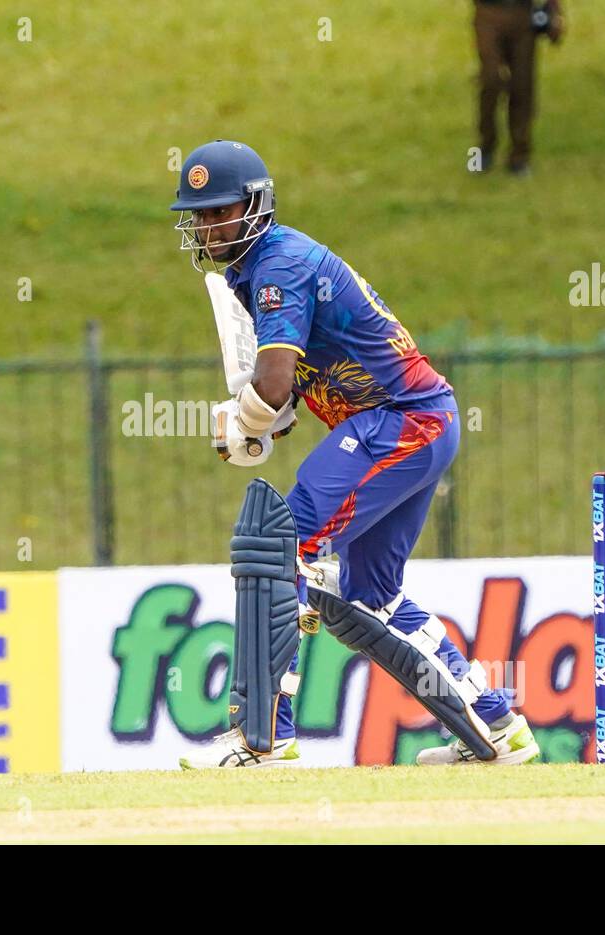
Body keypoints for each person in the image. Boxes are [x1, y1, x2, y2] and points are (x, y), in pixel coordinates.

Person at [169, 140, 540, 768]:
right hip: (413, 421)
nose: (206, 225)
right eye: (198, 215)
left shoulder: (278, 264)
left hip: (400, 420)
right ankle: (496, 729)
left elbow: (275, 382)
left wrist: (244, 418)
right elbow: (289, 389)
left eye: (218, 211)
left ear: (254, 207)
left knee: (276, 546)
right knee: (369, 599)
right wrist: (263, 421)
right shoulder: (256, 268)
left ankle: (262, 738)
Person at [474, 0, 563, 175]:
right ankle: (486, 146)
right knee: (491, 79)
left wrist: (554, 11)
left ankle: (519, 154)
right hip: (488, 12)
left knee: (522, 85)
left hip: (523, 14)